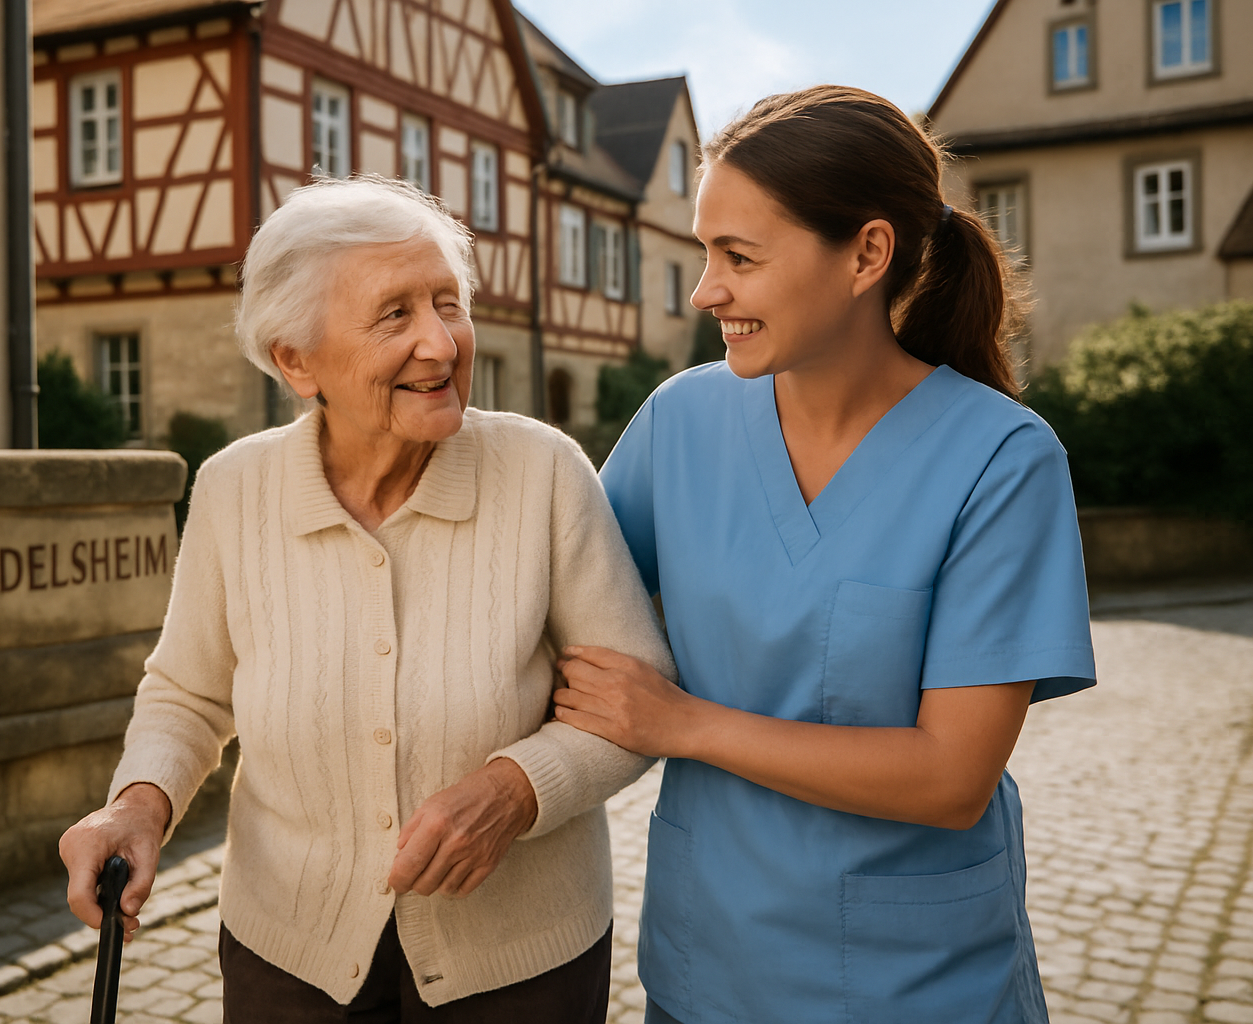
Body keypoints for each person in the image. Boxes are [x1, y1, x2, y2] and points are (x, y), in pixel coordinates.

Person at [58, 174, 675, 1023]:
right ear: (295, 359)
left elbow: (632, 704)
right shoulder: (235, 489)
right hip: (290, 952)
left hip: (519, 964)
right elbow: (189, 692)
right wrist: (139, 803)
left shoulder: (543, 474)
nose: (440, 342)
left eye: (447, 303)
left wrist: (515, 790)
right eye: (395, 314)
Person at [552, 85, 1096, 1024]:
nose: (704, 289)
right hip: (704, 971)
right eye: (703, 252)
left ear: (867, 254)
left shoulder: (1003, 461)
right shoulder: (679, 422)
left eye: (739, 257)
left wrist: (684, 724)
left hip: (916, 986)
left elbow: (950, 778)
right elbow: (553, 616)